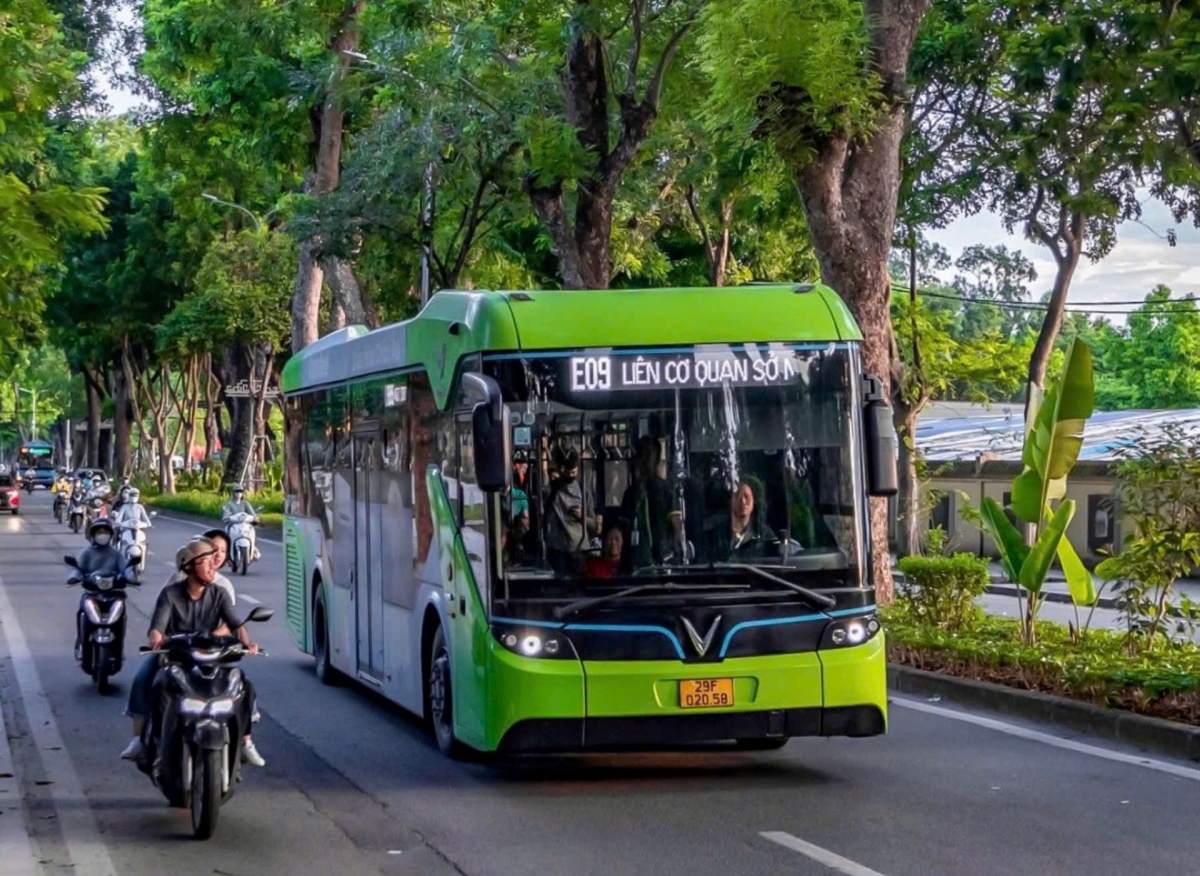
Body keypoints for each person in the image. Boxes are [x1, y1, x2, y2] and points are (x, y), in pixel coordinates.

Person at [120, 538, 265, 767]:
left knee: (243, 685)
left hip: (210, 658)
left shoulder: (219, 593)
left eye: (212, 561)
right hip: (177, 658)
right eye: (205, 561)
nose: (211, 566)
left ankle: (245, 741)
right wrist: (156, 638)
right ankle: (145, 740)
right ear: (189, 566)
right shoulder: (171, 594)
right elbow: (157, 626)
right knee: (147, 680)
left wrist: (248, 645)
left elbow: (236, 624)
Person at [620, 436, 681, 568]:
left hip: (662, 562)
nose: (645, 461)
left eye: (649, 456)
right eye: (643, 456)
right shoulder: (631, 494)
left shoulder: (666, 490)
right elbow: (623, 531)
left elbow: (677, 526)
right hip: (638, 564)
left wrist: (674, 553)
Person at [72, 519, 124, 657]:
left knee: (121, 613)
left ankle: (118, 648)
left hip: (114, 593)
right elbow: (78, 569)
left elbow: (126, 569)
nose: (103, 535)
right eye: (100, 532)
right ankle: (81, 642)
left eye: (106, 532)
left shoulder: (117, 554)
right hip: (92, 592)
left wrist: (130, 577)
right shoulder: (87, 553)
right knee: (82, 611)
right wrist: (74, 577)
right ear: (93, 535)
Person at [544, 447, 598, 577]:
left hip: (580, 550)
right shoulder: (552, 490)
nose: (570, 476)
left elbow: (594, 525)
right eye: (567, 472)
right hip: (557, 550)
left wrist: (582, 517)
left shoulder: (583, 491)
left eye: (573, 472)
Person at [221, 485, 260, 561]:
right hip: (232, 525)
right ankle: (226, 552)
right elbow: (226, 513)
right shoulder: (229, 504)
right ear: (233, 493)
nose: (239, 493)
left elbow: (252, 513)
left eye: (241, 492)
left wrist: (255, 518)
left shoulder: (245, 504)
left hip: (244, 525)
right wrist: (227, 518)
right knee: (226, 536)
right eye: (237, 491)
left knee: (251, 533)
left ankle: (253, 550)